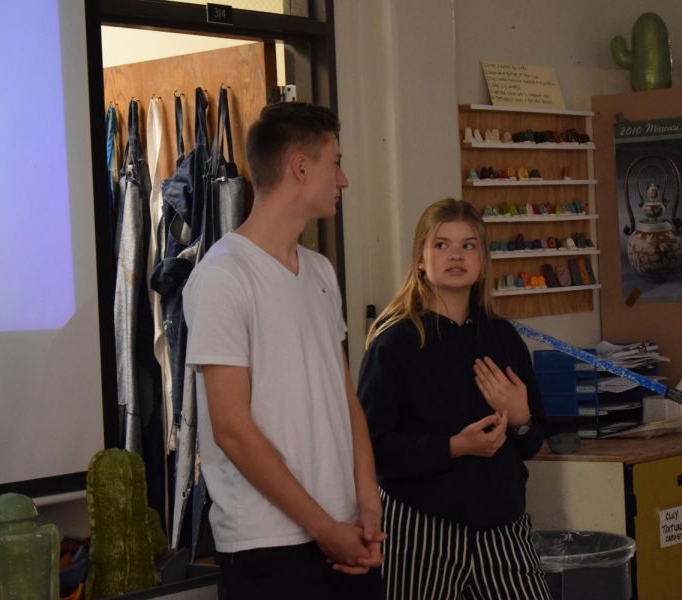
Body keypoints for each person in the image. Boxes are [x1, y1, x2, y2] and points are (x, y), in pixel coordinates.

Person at [182, 102, 384, 599]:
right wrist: (322, 528)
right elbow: (231, 429)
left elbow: (345, 398)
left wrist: (367, 504)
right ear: (299, 167)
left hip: (345, 530)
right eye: (334, 163)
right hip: (266, 544)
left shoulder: (320, 271)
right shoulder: (223, 276)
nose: (343, 180)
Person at [357, 198, 552, 599]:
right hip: (420, 526)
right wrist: (454, 447)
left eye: (468, 245)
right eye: (441, 245)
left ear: (482, 260)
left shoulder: (504, 339)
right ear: (421, 261)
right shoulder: (394, 343)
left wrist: (521, 417)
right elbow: (371, 448)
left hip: (501, 524)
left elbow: (532, 444)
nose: (455, 255)